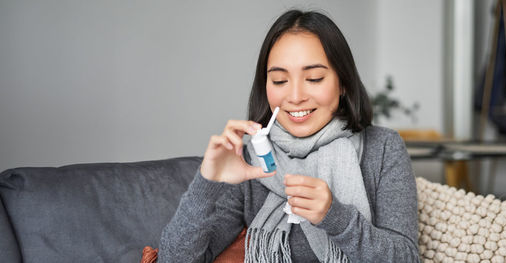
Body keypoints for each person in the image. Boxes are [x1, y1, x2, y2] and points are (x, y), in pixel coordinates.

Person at [159, 9, 419, 262]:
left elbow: (406, 258)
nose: (294, 97)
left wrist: (335, 217)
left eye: (314, 78)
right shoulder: (252, 160)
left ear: (343, 83)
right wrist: (207, 182)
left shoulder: (383, 148)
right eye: (280, 81)